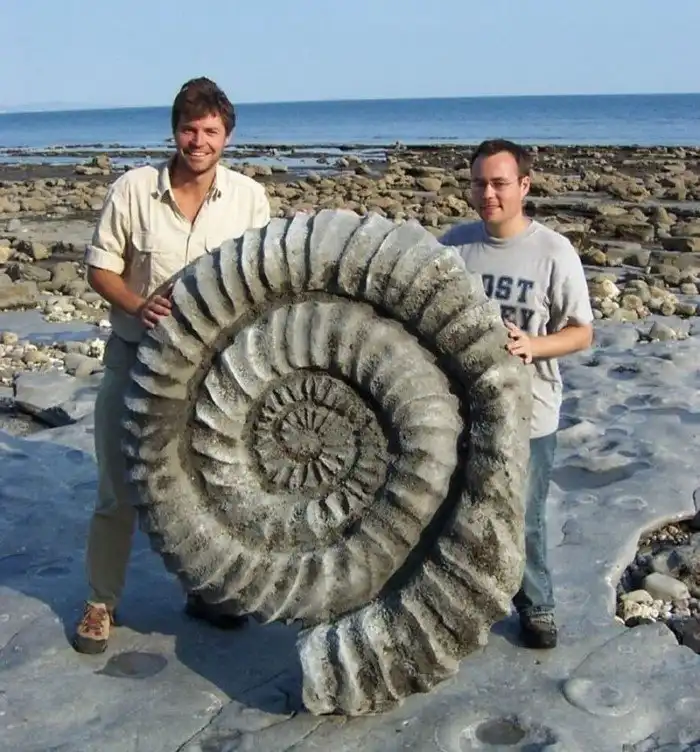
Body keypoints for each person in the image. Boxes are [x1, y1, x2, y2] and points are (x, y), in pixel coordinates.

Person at [73, 77, 271, 654]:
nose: (198, 141)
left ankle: (204, 590)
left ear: (226, 136)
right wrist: (138, 304)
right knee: (118, 486)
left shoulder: (249, 199)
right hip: (135, 359)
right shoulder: (134, 189)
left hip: (212, 374)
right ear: (174, 132)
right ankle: (101, 602)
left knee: (205, 487)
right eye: (189, 129)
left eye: (210, 130)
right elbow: (100, 269)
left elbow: (261, 279)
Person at [440, 139, 593, 649]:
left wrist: (532, 345)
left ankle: (537, 607)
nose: (488, 194)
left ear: (524, 186)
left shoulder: (553, 251)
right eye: (479, 183)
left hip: (531, 414)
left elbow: (581, 332)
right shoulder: (454, 246)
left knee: (523, 517)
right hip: (462, 412)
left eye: (499, 183)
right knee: (457, 512)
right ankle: (463, 601)